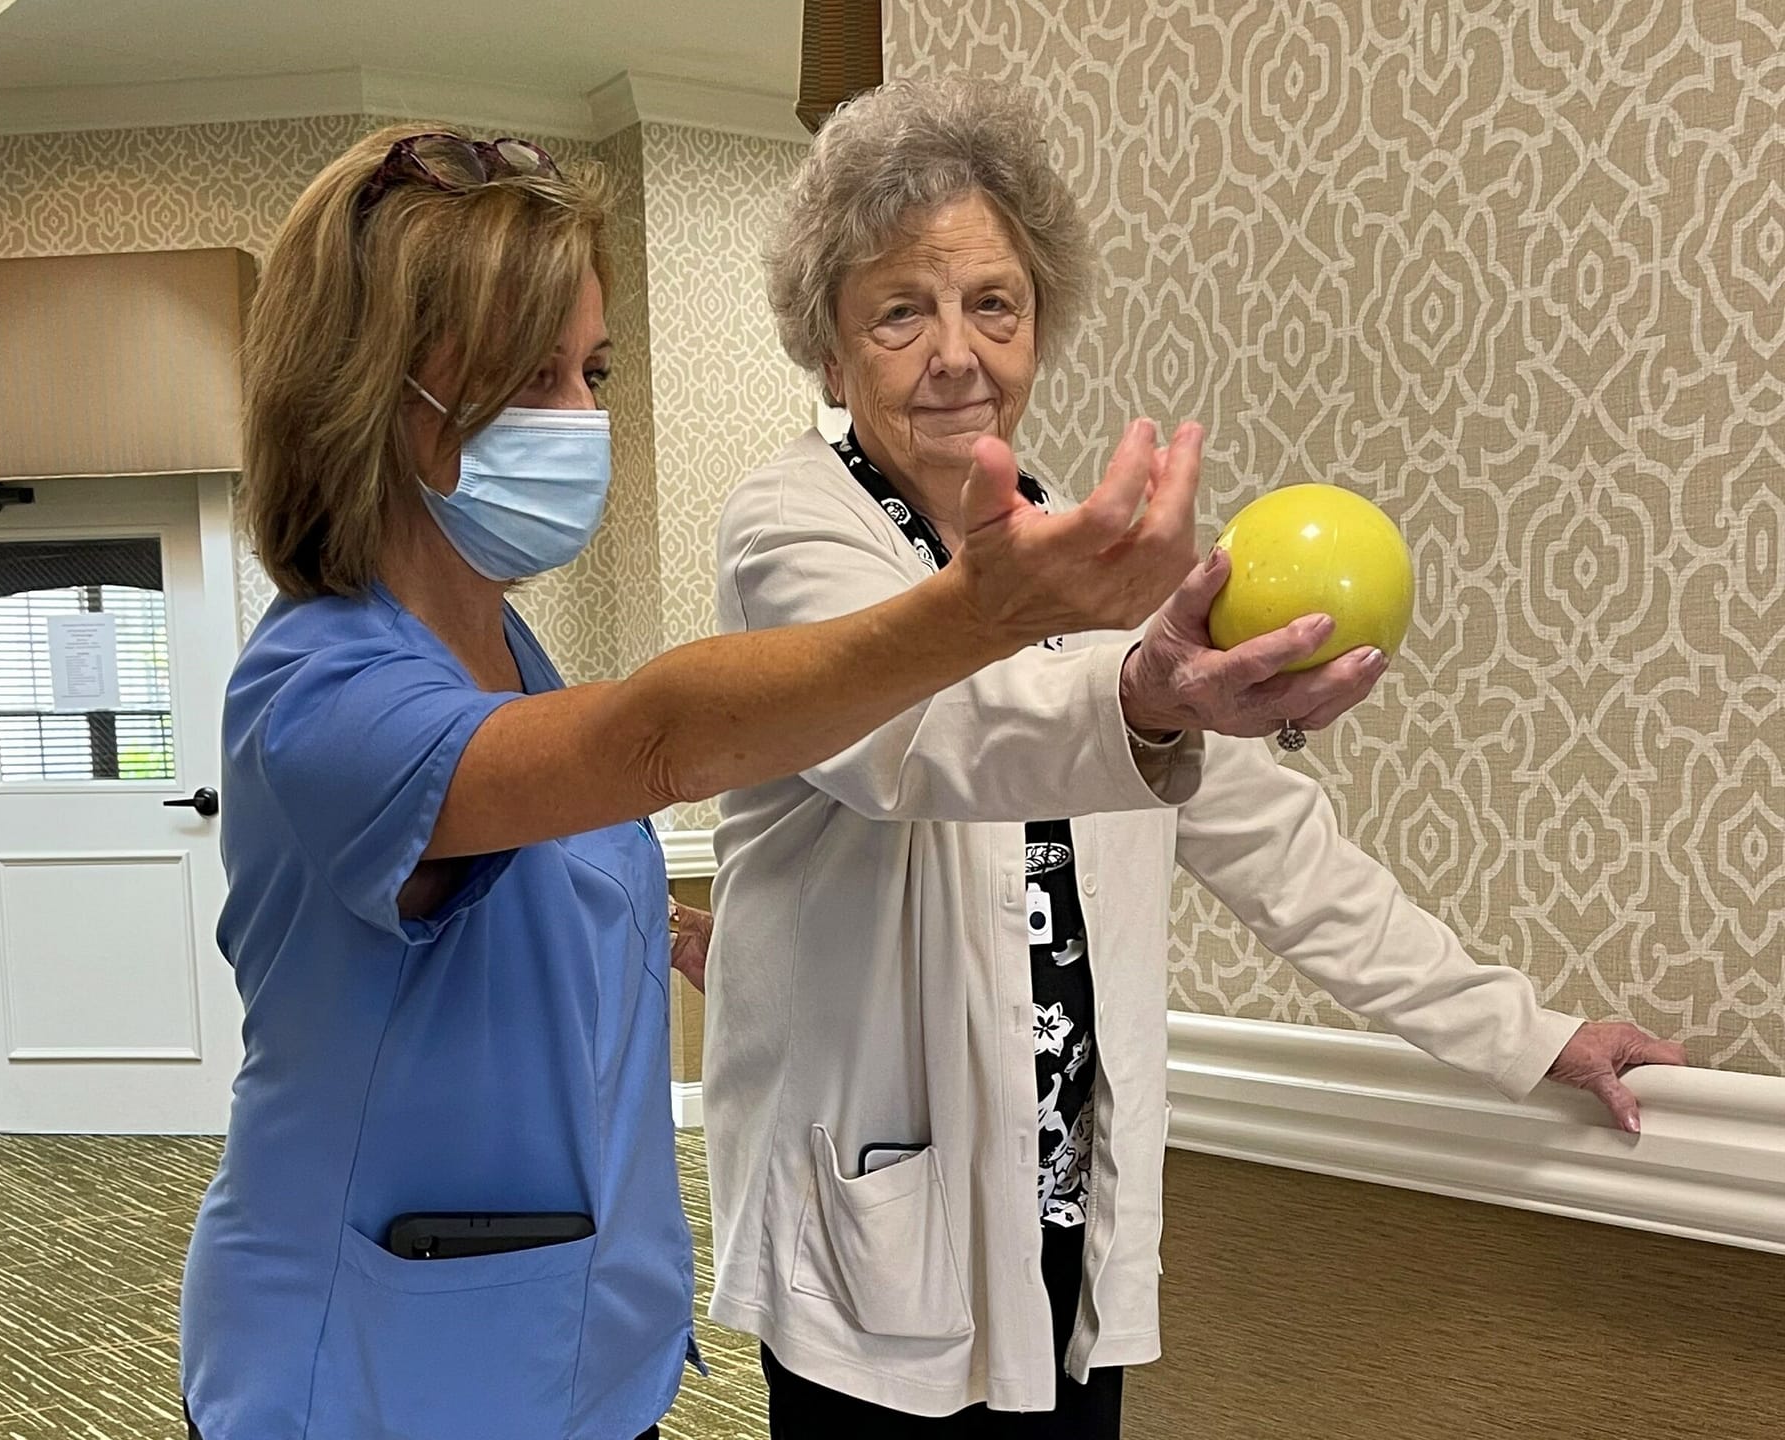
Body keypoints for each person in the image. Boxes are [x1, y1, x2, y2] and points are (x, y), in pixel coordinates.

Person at [176, 124, 1204, 1440]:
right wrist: (983, 611)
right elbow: (652, 743)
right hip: (376, 1373)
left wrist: (718, 942)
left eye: (589, 370)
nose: (582, 421)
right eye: (521, 381)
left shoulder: (508, 654)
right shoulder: (316, 691)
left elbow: (512, 891)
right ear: (372, 400)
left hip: (582, 1359)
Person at [702, 77, 1689, 1438]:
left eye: (995, 302)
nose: (957, 354)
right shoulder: (789, 533)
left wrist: (1532, 1036)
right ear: (829, 348)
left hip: (1064, 1210)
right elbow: (917, 742)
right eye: (899, 310)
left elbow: (1275, 845)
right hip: (880, 1223)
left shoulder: (1085, 545)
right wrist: (1146, 699)